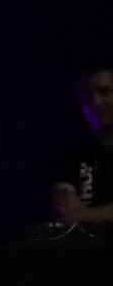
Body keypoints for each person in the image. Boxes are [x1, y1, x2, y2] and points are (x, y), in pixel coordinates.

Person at [48, 64, 113, 227]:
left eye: (103, 92)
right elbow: (65, 215)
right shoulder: (70, 152)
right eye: (88, 95)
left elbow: (74, 216)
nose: (95, 102)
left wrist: (82, 214)